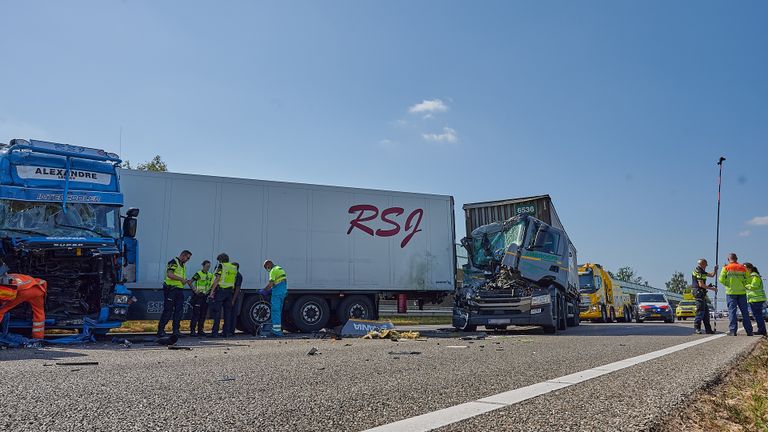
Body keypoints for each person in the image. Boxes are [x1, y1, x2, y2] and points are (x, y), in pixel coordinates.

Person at [0, 273, 48, 339]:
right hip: (38, 291)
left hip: (23, 292)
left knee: (2, 310)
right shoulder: (28, 278)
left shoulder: (9, 278)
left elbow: (7, 295)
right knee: (39, 313)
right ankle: (38, 338)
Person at [157, 250, 192, 337]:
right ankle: (160, 330)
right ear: (183, 255)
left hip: (179, 290)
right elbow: (169, 274)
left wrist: (185, 281)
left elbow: (180, 277)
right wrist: (181, 279)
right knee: (168, 310)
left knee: (179, 311)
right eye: (188, 258)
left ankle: (176, 330)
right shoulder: (173, 262)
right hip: (171, 290)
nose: (188, 260)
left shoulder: (182, 265)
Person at [719, 253, 753, 336]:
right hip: (742, 292)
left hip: (731, 292)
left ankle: (733, 331)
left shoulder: (726, 268)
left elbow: (721, 279)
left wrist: (728, 284)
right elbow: (749, 280)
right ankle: (749, 331)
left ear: (728, 259)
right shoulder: (743, 268)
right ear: (736, 259)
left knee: (732, 312)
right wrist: (743, 284)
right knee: (745, 312)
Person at [207, 253, 238, 338]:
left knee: (217, 312)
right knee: (227, 313)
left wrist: (211, 291)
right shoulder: (234, 267)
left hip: (221, 291)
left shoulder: (221, 266)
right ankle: (226, 333)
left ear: (221, 260)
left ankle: (215, 333)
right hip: (229, 292)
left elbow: (217, 279)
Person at [260, 260, 287, 337]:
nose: (267, 269)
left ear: (269, 264)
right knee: (278, 312)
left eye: (266, 267)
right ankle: (278, 330)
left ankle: (276, 331)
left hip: (277, 293)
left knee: (275, 311)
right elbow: (281, 282)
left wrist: (264, 290)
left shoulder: (273, 270)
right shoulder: (280, 269)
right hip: (282, 292)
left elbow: (271, 283)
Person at [691, 259, 718, 334]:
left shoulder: (701, 271)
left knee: (706, 312)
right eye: (705, 265)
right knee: (700, 311)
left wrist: (715, 270)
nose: (706, 267)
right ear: (702, 264)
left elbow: (711, 275)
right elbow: (701, 284)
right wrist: (712, 289)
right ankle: (697, 328)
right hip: (698, 293)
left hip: (702, 293)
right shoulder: (699, 272)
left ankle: (708, 329)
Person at [188, 260, 213, 337]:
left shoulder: (210, 275)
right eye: (207, 266)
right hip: (198, 296)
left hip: (205, 296)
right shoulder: (198, 273)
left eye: (209, 266)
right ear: (203, 266)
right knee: (196, 314)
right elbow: (190, 282)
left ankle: (200, 330)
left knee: (203, 314)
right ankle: (192, 331)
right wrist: (195, 290)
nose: (208, 268)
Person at [744, 263, 767, 337]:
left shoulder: (754, 276)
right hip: (754, 299)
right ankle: (761, 330)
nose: (744, 270)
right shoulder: (752, 276)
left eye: (745, 268)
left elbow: (754, 286)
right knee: (757, 315)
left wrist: (744, 285)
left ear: (749, 268)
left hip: (756, 299)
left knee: (758, 315)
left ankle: (762, 331)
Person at [229, 262, 243, 337]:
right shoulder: (232, 275)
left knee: (233, 314)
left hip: (234, 297)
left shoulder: (238, 276)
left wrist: (233, 300)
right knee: (228, 314)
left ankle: (231, 331)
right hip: (230, 296)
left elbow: (237, 289)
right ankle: (228, 330)